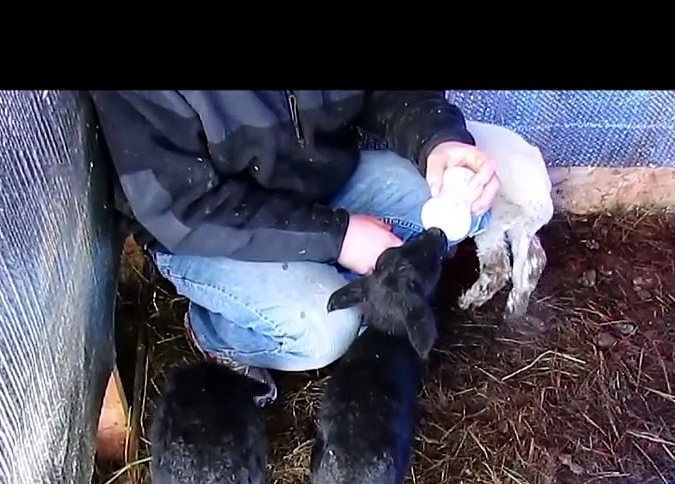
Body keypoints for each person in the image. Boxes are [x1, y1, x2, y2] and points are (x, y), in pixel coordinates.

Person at [89, 91, 499, 406]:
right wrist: (338, 237)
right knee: (324, 330)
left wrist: (439, 141)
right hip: (205, 227)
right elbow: (182, 208)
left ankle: (340, 277)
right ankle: (215, 332)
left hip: (319, 182)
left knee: (461, 207)